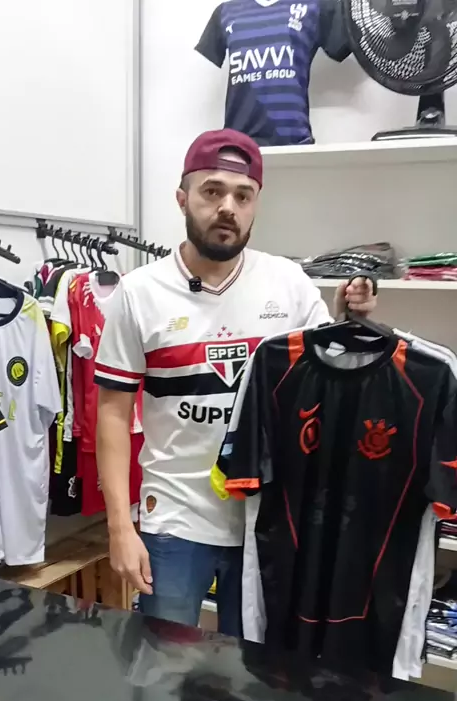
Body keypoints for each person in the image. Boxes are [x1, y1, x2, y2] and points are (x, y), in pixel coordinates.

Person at [95, 129, 377, 635]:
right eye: (212, 191)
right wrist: (119, 527)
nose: (228, 207)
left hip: (266, 518)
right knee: (164, 665)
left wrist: (348, 321)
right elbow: (113, 413)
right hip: (175, 519)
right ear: (182, 198)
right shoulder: (139, 293)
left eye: (243, 196)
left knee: (254, 670)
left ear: (256, 206)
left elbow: (325, 375)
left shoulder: (289, 284)